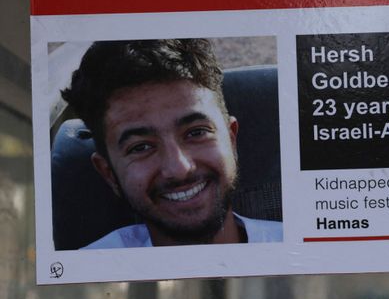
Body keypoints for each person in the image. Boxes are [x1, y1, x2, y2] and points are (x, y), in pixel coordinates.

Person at [61, 39, 282, 248]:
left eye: (196, 132)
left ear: (231, 139)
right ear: (109, 174)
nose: (179, 169)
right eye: (141, 147)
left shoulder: (304, 249)